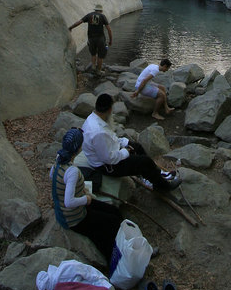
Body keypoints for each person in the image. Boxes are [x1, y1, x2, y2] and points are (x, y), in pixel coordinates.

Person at [50, 128, 122, 262]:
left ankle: (119, 242)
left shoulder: (58, 159)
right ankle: (113, 256)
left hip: (66, 211)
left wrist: (78, 190)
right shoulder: (72, 171)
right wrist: (86, 199)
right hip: (74, 218)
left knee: (114, 212)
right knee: (109, 223)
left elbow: (52, 177)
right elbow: (69, 202)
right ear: (78, 148)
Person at [82, 94, 181, 191]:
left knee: (137, 147)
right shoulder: (98, 132)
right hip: (106, 166)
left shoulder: (95, 118)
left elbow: (110, 139)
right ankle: (162, 187)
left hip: (106, 155)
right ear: (109, 110)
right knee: (144, 162)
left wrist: (125, 143)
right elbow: (110, 159)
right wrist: (126, 151)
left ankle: (156, 174)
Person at [68, 4, 112, 73]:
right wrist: (110, 40)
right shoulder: (102, 16)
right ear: (101, 11)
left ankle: (93, 67)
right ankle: (99, 71)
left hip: (91, 38)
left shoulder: (89, 15)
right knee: (100, 55)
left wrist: (71, 27)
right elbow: (109, 29)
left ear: (95, 10)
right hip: (100, 38)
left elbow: (79, 22)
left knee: (93, 53)